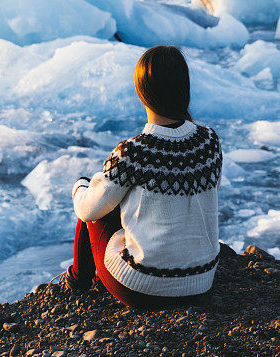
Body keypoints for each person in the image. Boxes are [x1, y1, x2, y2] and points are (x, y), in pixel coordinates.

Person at [52, 45, 222, 308]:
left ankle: (77, 280)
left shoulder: (135, 151)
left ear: (142, 93)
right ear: (184, 89)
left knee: (94, 198)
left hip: (143, 286)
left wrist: (79, 186)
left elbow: (88, 211)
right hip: (201, 282)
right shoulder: (209, 141)